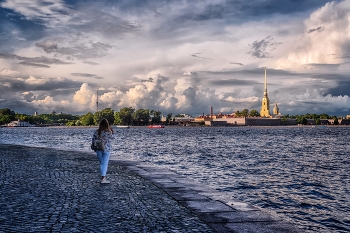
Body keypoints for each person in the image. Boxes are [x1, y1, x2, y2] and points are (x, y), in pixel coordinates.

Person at [92, 118, 115, 184]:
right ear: (107, 124)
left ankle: (103, 177)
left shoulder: (97, 131)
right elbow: (113, 137)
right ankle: (103, 178)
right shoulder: (109, 131)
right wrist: (111, 130)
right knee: (105, 163)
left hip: (99, 148)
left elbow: (93, 139)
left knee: (102, 163)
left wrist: (93, 147)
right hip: (107, 149)